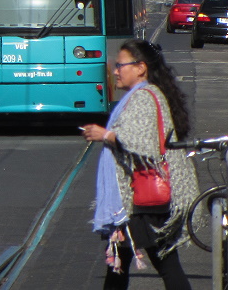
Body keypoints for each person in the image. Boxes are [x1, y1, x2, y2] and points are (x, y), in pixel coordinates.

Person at [82, 40, 197, 290]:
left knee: (160, 263)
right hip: (139, 199)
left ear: (140, 68)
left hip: (142, 200)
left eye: (120, 65)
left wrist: (106, 135)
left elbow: (145, 145)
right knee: (126, 264)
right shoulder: (144, 95)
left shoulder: (144, 97)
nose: (115, 71)